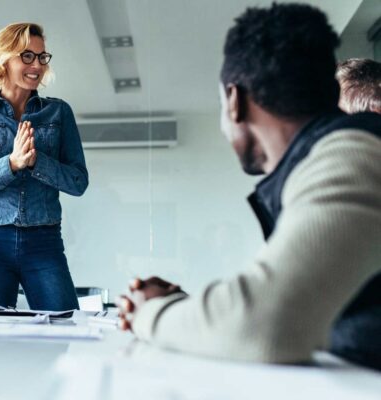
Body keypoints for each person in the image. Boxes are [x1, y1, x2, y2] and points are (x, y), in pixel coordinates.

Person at [118, 3, 381, 370]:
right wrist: (193, 311)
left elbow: (266, 325)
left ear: (235, 101)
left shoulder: (354, 153)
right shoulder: (327, 160)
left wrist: (151, 314)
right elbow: (292, 302)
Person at [0, 23, 88, 311]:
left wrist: (37, 161)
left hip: (45, 241)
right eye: (27, 56)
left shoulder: (59, 112)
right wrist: (10, 164)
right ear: (3, 59)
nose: (37, 65)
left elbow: (77, 181)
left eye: (42, 57)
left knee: (64, 329)